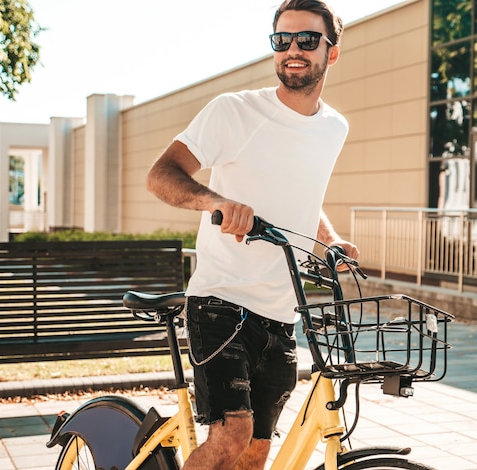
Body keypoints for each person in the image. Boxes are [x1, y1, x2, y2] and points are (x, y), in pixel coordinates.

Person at [146, 1, 358, 468]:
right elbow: (161, 174)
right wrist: (214, 202)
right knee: (232, 436)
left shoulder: (333, 128)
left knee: (256, 453)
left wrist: (331, 239)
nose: (293, 50)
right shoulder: (234, 111)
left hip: (281, 312)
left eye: (307, 39)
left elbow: (300, 196)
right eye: (282, 40)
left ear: (333, 53)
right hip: (221, 301)